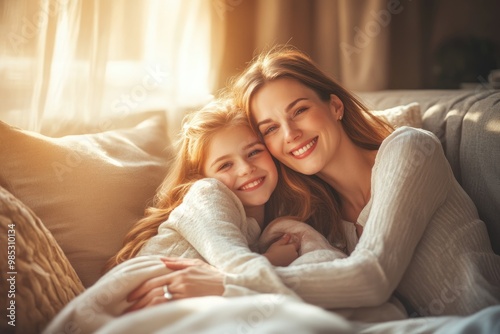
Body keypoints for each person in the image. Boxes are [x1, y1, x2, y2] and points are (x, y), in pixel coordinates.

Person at [129, 45, 500, 318]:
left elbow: (373, 278)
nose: (290, 134)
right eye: (270, 129)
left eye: (300, 111)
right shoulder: (318, 221)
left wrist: (227, 284)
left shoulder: (409, 149)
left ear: (335, 107)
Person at [106, 98, 354, 312]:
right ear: (201, 175)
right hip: (150, 301)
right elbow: (232, 261)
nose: (246, 169)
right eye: (225, 165)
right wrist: (271, 260)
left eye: (254, 152)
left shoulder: (271, 225)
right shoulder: (206, 194)